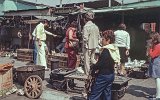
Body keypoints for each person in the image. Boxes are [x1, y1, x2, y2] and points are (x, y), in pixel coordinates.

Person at [88, 30, 120, 100]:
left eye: (102, 39)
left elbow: (100, 64)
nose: (101, 41)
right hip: (111, 74)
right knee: (107, 94)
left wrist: (94, 66)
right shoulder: (114, 49)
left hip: (104, 76)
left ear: (108, 40)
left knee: (95, 94)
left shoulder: (106, 50)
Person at [82, 10, 100, 75]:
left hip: (88, 46)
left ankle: (88, 74)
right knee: (92, 59)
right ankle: (99, 68)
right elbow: (98, 36)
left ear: (85, 18)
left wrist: (85, 44)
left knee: (86, 61)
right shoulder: (96, 26)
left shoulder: (86, 27)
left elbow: (85, 38)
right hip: (94, 46)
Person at [148, 33, 160, 99]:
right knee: (157, 78)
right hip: (157, 62)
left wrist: (150, 48)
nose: (151, 40)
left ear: (155, 39)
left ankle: (158, 96)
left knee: (157, 78)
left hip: (157, 63)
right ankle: (157, 94)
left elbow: (152, 55)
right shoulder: (157, 45)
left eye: (152, 38)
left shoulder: (158, 46)